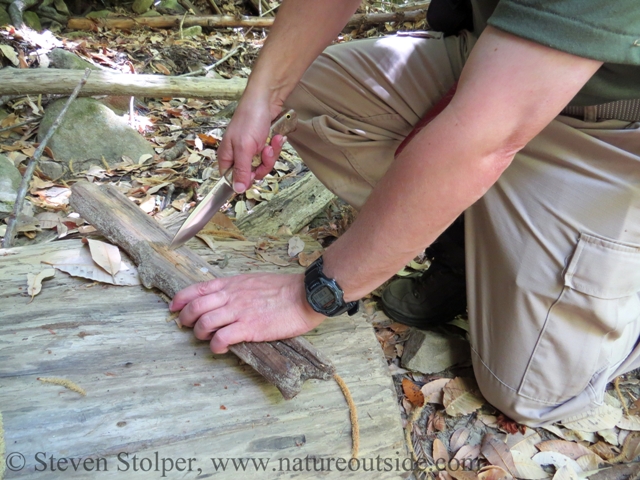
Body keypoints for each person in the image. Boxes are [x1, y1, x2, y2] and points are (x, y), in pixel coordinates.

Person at [170, 0, 640, 426]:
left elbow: (483, 136)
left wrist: (314, 294)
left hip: (608, 124)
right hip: (496, 58)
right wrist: (262, 100)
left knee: (529, 393)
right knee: (311, 92)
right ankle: (470, 240)